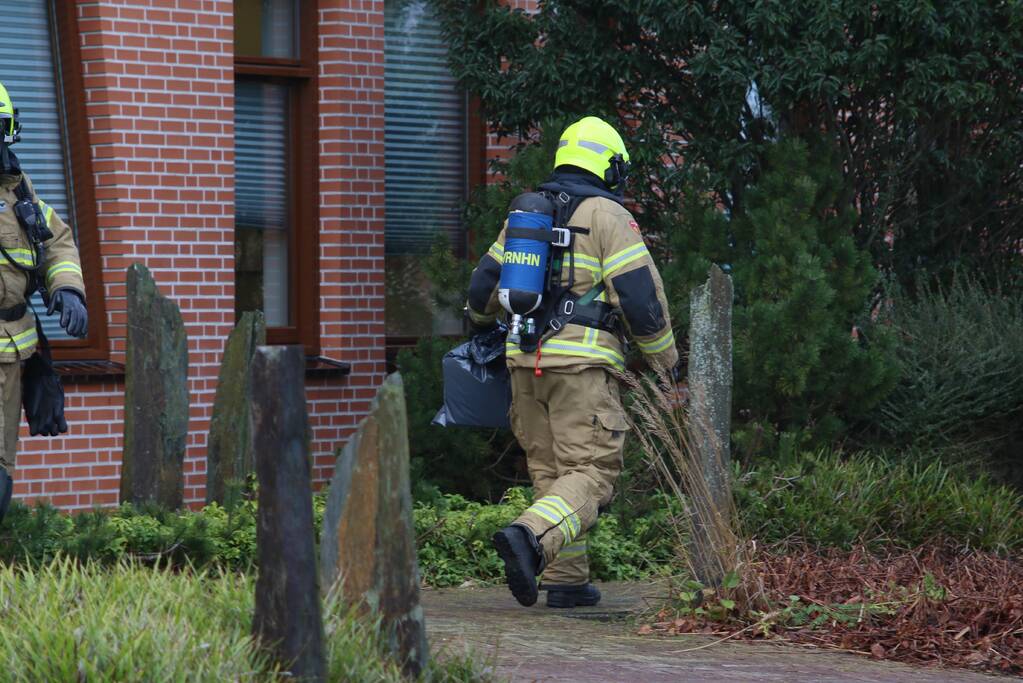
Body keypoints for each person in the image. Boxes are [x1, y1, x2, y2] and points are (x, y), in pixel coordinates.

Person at [466, 116, 678, 608]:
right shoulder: (608, 215)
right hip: (581, 369)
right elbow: (640, 297)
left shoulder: (526, 215)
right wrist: (666, 363)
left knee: (553, 474)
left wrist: (479, 325)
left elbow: (481, 290)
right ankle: (529, 536)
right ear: (610, 166)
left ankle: (565, 580)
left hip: (525, 366)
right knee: (592, 473)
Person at [0, 81, 88, 523]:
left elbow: (57, 241)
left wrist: (67, 287)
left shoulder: (20, 192)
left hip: (12, 356)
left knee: (1, 470)